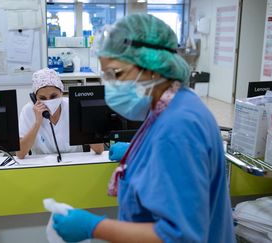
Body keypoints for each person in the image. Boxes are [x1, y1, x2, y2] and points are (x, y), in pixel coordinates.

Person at [51, 14, 235, 243]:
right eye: (106, 75)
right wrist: (137, 151)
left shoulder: (179, 126)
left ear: (152, 66)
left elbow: (179, 237)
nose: (110, 84)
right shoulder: (172, 105)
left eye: (116, 73)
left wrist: (95, 227)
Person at [16, 68, 104, 159]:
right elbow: (20, 154)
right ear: (34, 98)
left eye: (53, 96)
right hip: (41, 165)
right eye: (42, 98)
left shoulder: (73, 106)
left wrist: (84, 122)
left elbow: (99, 149)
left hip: (75, 163)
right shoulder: (28, 111)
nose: (49, 101)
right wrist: (37, 123)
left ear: (61, 92)